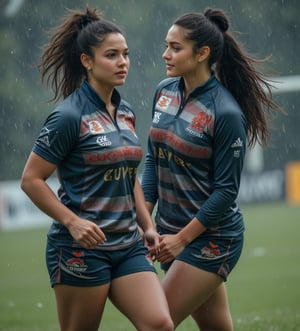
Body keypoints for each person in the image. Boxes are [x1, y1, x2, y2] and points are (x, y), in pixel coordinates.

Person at [20, 7, 174, 331]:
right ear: (86, 61)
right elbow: (31, 180)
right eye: (112, 55)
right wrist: (72, 222)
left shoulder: (126, 111)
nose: (123, 62)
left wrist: (147, 226)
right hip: (81, 250)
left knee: (160, 324)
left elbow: (127, 174)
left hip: (128, 245)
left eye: (126, 54)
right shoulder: (68, 117)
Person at [142, 7, 282, 331]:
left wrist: (181, 240)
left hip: (212, 238)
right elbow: (153, 159)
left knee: (153, 322)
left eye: (175, 47)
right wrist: (145, 219)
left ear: (203, 53)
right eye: (166, 45)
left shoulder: (226, 112)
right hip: (169, 233)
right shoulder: (163, 92)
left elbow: (225, 192)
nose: (165, 54)